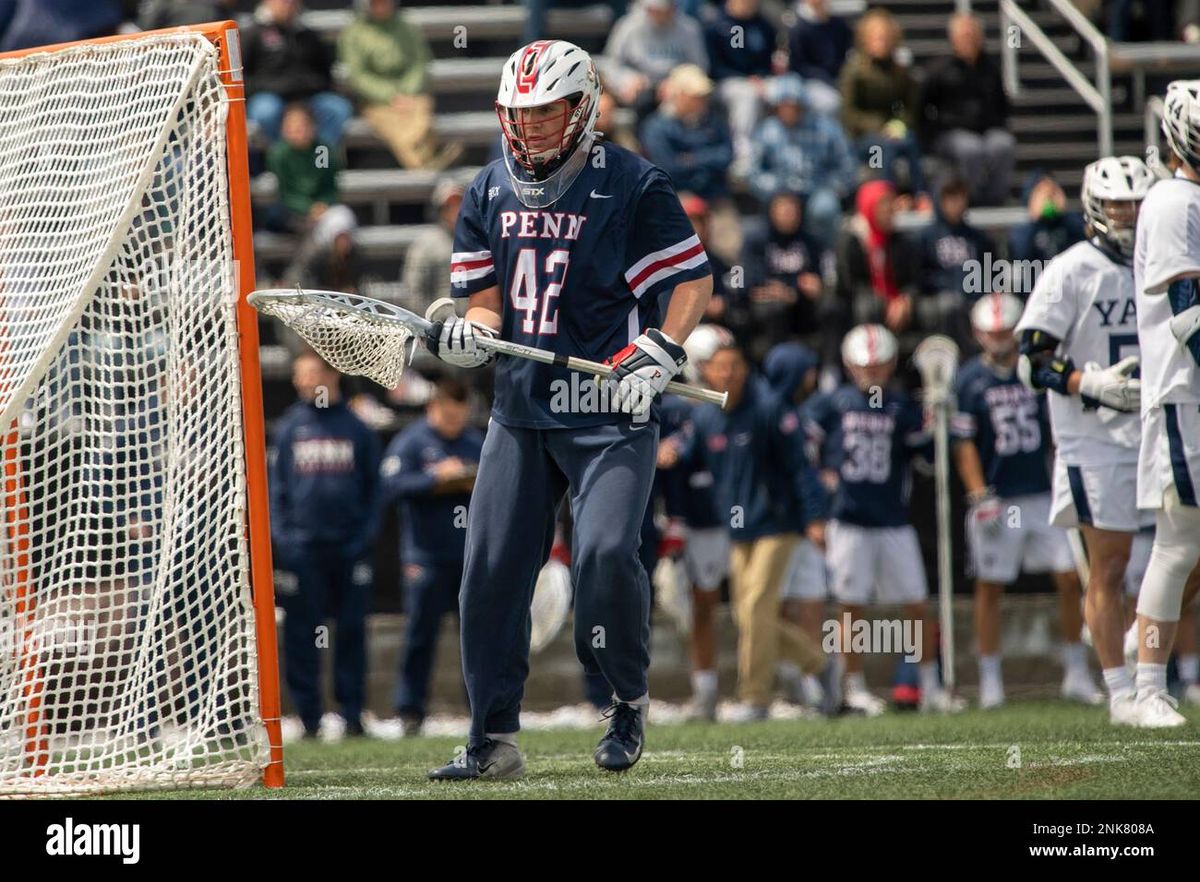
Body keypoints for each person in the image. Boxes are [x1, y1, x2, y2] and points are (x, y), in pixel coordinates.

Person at [425, 40, 713, 780]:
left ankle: (624, 698)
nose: (534, 127)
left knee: (607, 553)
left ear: (583, 107)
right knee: (488, 568)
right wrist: (471, 335)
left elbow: (690, 282)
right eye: (521, 114)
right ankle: (492, 738)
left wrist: (661, 349)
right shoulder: (488, 188)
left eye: (548, 111)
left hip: (608, 410)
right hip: (520, 412)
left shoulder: (633, 184)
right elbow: (485, 304)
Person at [1014, 155, 1154, 726]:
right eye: (1118, 203)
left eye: (1135, 204)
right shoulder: (1072, 269)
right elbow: (1031, 361)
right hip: (1093, 439)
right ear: (1096, 207)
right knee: (1111, 566)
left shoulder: (1162, 261)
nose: (1126, 214)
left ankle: (1139, 640)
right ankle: (1123, 692)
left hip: (1158, 426)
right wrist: (1086, 382)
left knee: (1185, 551)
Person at [662, 338, 839, 721]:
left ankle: (756, 698)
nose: (727, 374)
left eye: (734, 366)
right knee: (747, 616)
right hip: (738, 529)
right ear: (706, 372)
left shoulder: (770, 410)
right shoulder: (707, 414)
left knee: (758, 603)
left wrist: (814, 518)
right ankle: (820, 666)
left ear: (745, 370)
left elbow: (801, 467)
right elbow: (687, 446)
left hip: (778, 524)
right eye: (720, 367)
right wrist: (668, 451)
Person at [804, 324, 965, 714]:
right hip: (848, 518)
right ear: (848, 364)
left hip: (893, 519)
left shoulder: (900, 406)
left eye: (877, 366)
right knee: (850, 604)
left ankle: (929, 685)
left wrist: (940, 414)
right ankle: (853, 686)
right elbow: (801, 445)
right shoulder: (833, 403)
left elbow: (926, 452)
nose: (870, 373)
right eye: (864, 366)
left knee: (916, 602)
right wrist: (820, 481)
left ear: (891, 365)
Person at [953, 293, 1100, 709]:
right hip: (1000, 498)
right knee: (990, 587)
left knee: (1070, 578)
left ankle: (1076, 672)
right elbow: (962, 443)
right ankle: (990, 681)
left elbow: (1059, 430)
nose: (998, 340)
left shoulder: (1034, 370)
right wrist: (978, 493)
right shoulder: (969, 380)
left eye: (1004, 332)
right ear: (979, 334)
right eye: (991, 332)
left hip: (1041, 493)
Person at [1129, 81, 1200, 726]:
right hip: (1187, 391)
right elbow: (1187, 313)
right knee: (1177, 545)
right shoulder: (1177, 201)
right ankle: (1144, 687)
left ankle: (1141, 645)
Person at [269, 351, 381, 739]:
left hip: (348, 548)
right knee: (303, 633)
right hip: (303, 550)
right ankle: (310, 717)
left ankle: (352, 714)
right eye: (298, 375)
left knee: (350, 631)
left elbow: (374, 489)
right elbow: (276, 490)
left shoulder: (357, 428)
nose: (301, 382)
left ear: (330, 374)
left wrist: (364, 537)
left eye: (309, 373)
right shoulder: (289, 428)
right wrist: (285, 540)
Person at [380, 378, 483, 736]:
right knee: (420, 636)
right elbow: (391, 486)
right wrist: (434, 478)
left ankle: (481, 710)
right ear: (432, 408)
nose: (453, 423)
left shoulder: (475, 442)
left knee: (475, 638)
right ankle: (410, 711)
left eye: (459, 416)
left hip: (469, 556)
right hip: (425, 556)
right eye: (447, 415)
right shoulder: (412, 441)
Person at [338, 0, 463, 171]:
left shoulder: (407, 27)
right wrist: (391, 96)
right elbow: (359, 76)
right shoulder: (353, 33)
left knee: (419, 110)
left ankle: (421, 164)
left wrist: (406, 92)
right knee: (397, 123)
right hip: (376, 99)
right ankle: (425, 164)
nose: (382, 5)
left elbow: (419, 63)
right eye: (376, 2)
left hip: (411, 94)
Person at [747, 74, 856, 251]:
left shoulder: (826, 129)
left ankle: (826, 257)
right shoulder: (767, 131)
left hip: (817, 189)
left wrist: (830, 186)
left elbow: (847, 166)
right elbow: (753, 170)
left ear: (803, 105)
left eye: (794, 105)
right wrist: (775, 187)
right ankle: (776, 262)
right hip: (780, 192)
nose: (789, 110)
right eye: (784, 105)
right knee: (778, 211)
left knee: (825, 208)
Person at [918, 13, 1015, 207]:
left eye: (972, 35)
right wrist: (931, 135)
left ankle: (995, 199)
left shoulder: (990, 68)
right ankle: (970, 199)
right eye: (963, 36)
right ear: (953, 39)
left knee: (1003, 144)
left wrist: (997, 122)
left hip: (987, 130)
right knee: (971, 150)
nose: (968, 40)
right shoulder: (940, 70)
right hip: (952, 133)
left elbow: (1002, 104)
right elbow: (923, 107)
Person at [838, 9, 927, 199]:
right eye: (877, 37)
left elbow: (908, 106)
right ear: (866, 39)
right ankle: (886, 196)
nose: (882, 42)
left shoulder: (899, 71)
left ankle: (919, 194)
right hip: (862, 138)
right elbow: (849, 114)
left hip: (891, 131)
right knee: (881, 149)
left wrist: (899, 124)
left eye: (885, 38)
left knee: (910, 141)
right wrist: (879, 127)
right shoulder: (854, 72)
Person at [243, 0, 352, 149]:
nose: (287, 5)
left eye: (292, 1)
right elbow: (243, 78)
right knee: (266, 111)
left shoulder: (309, 36)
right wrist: (281, 90)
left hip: (308, 98)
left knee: (336, 108)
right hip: (269, 97)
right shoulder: (252, 35)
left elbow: (325, 75)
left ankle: (320, 161)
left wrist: (300, 103)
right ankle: (285, 160)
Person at [601, 0, 708, 118]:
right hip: (640, 88)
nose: (654, 13)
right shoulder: (627, 26)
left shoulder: (689, 28)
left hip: (675, 88)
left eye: (661, 10)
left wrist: (677, 81)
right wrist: (627, 79)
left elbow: (700, 66)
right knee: (639, 99)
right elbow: (610, 64)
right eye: (652, 9)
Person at [1007, 171, 1087, 274]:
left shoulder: (1069, 224)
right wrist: (1036, 218)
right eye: (1041, 192)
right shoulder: (1021, 231)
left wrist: (1064, 214)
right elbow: (1021, 254)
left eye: (1053, 192)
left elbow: (1085, 240)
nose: (1048, 197)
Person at [787, 0, 853, 117]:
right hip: (810, 82)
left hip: (838, 79)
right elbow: (799, 66)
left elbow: (846, 56)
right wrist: (828, 80)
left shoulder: (840, 25)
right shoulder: (798, 28)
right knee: (832, 104)